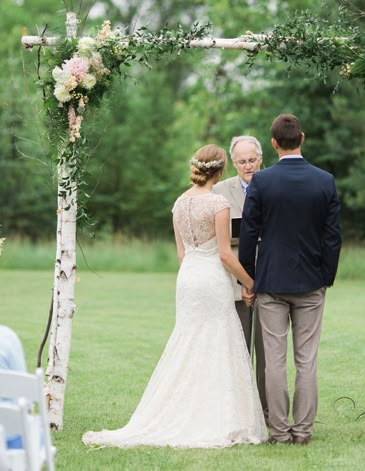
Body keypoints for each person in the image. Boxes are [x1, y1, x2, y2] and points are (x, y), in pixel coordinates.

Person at [83, 145, 267, 449]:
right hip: (212, 279)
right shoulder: (218, 203)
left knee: (189, 342)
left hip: (188, 279)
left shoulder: (179, 203)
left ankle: (188, 409)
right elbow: (224, 254)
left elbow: (182, 254)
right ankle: (218, 416)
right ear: (221, 170)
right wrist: (249, 282)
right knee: (218, 343)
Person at [239, 114, 342, 445]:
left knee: (274, 362)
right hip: (312, 282)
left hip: (271, 283)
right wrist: (325, 276)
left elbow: (248, 234)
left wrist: (250, 278)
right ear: (302, 138)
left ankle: (280, 431)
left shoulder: (262, 182)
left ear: (273, 144)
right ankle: (303, 432)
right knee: (306, 361)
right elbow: (333, 237)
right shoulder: (324, 180)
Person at [213, 135, 267, 419]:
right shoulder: (219, 191)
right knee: (237, 349)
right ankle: (237, 412)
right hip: (234, 282)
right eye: (242, 161)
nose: (248, 166)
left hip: (270, 277)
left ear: (261, 159)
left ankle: (267, 411)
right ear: (233, 163)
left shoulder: (273, 184)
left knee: (268, 355)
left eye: (252, 160)